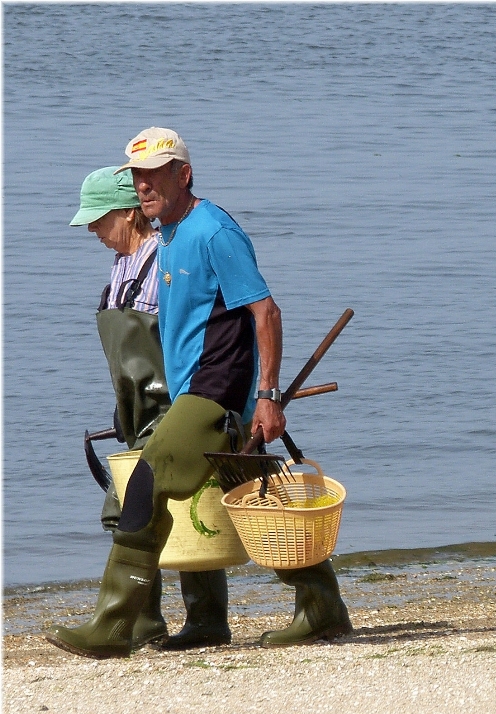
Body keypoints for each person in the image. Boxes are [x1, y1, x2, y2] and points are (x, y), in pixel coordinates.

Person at [47, 128, 352, 659]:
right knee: (251, 499)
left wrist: (268, 395)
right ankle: (316, 607)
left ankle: (117, 623)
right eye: (137, 177)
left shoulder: (213, 232)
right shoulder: (167, 234)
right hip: (194, 389)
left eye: (154, 174)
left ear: (182, 174)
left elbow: (266, 312)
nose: (143, 186)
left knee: (147, 478)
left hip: (219, 388)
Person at [70, 166, 233, 651]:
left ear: (129, 214)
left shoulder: (164, 258)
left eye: (100, 221)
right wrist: (123, 407)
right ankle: (161, 621)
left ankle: (166, 620)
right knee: (165, 506)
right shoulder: (120, 266)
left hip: (175, 402)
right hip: (139, 408)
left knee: (148, 506)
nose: (94, 232)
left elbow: (187, 337)